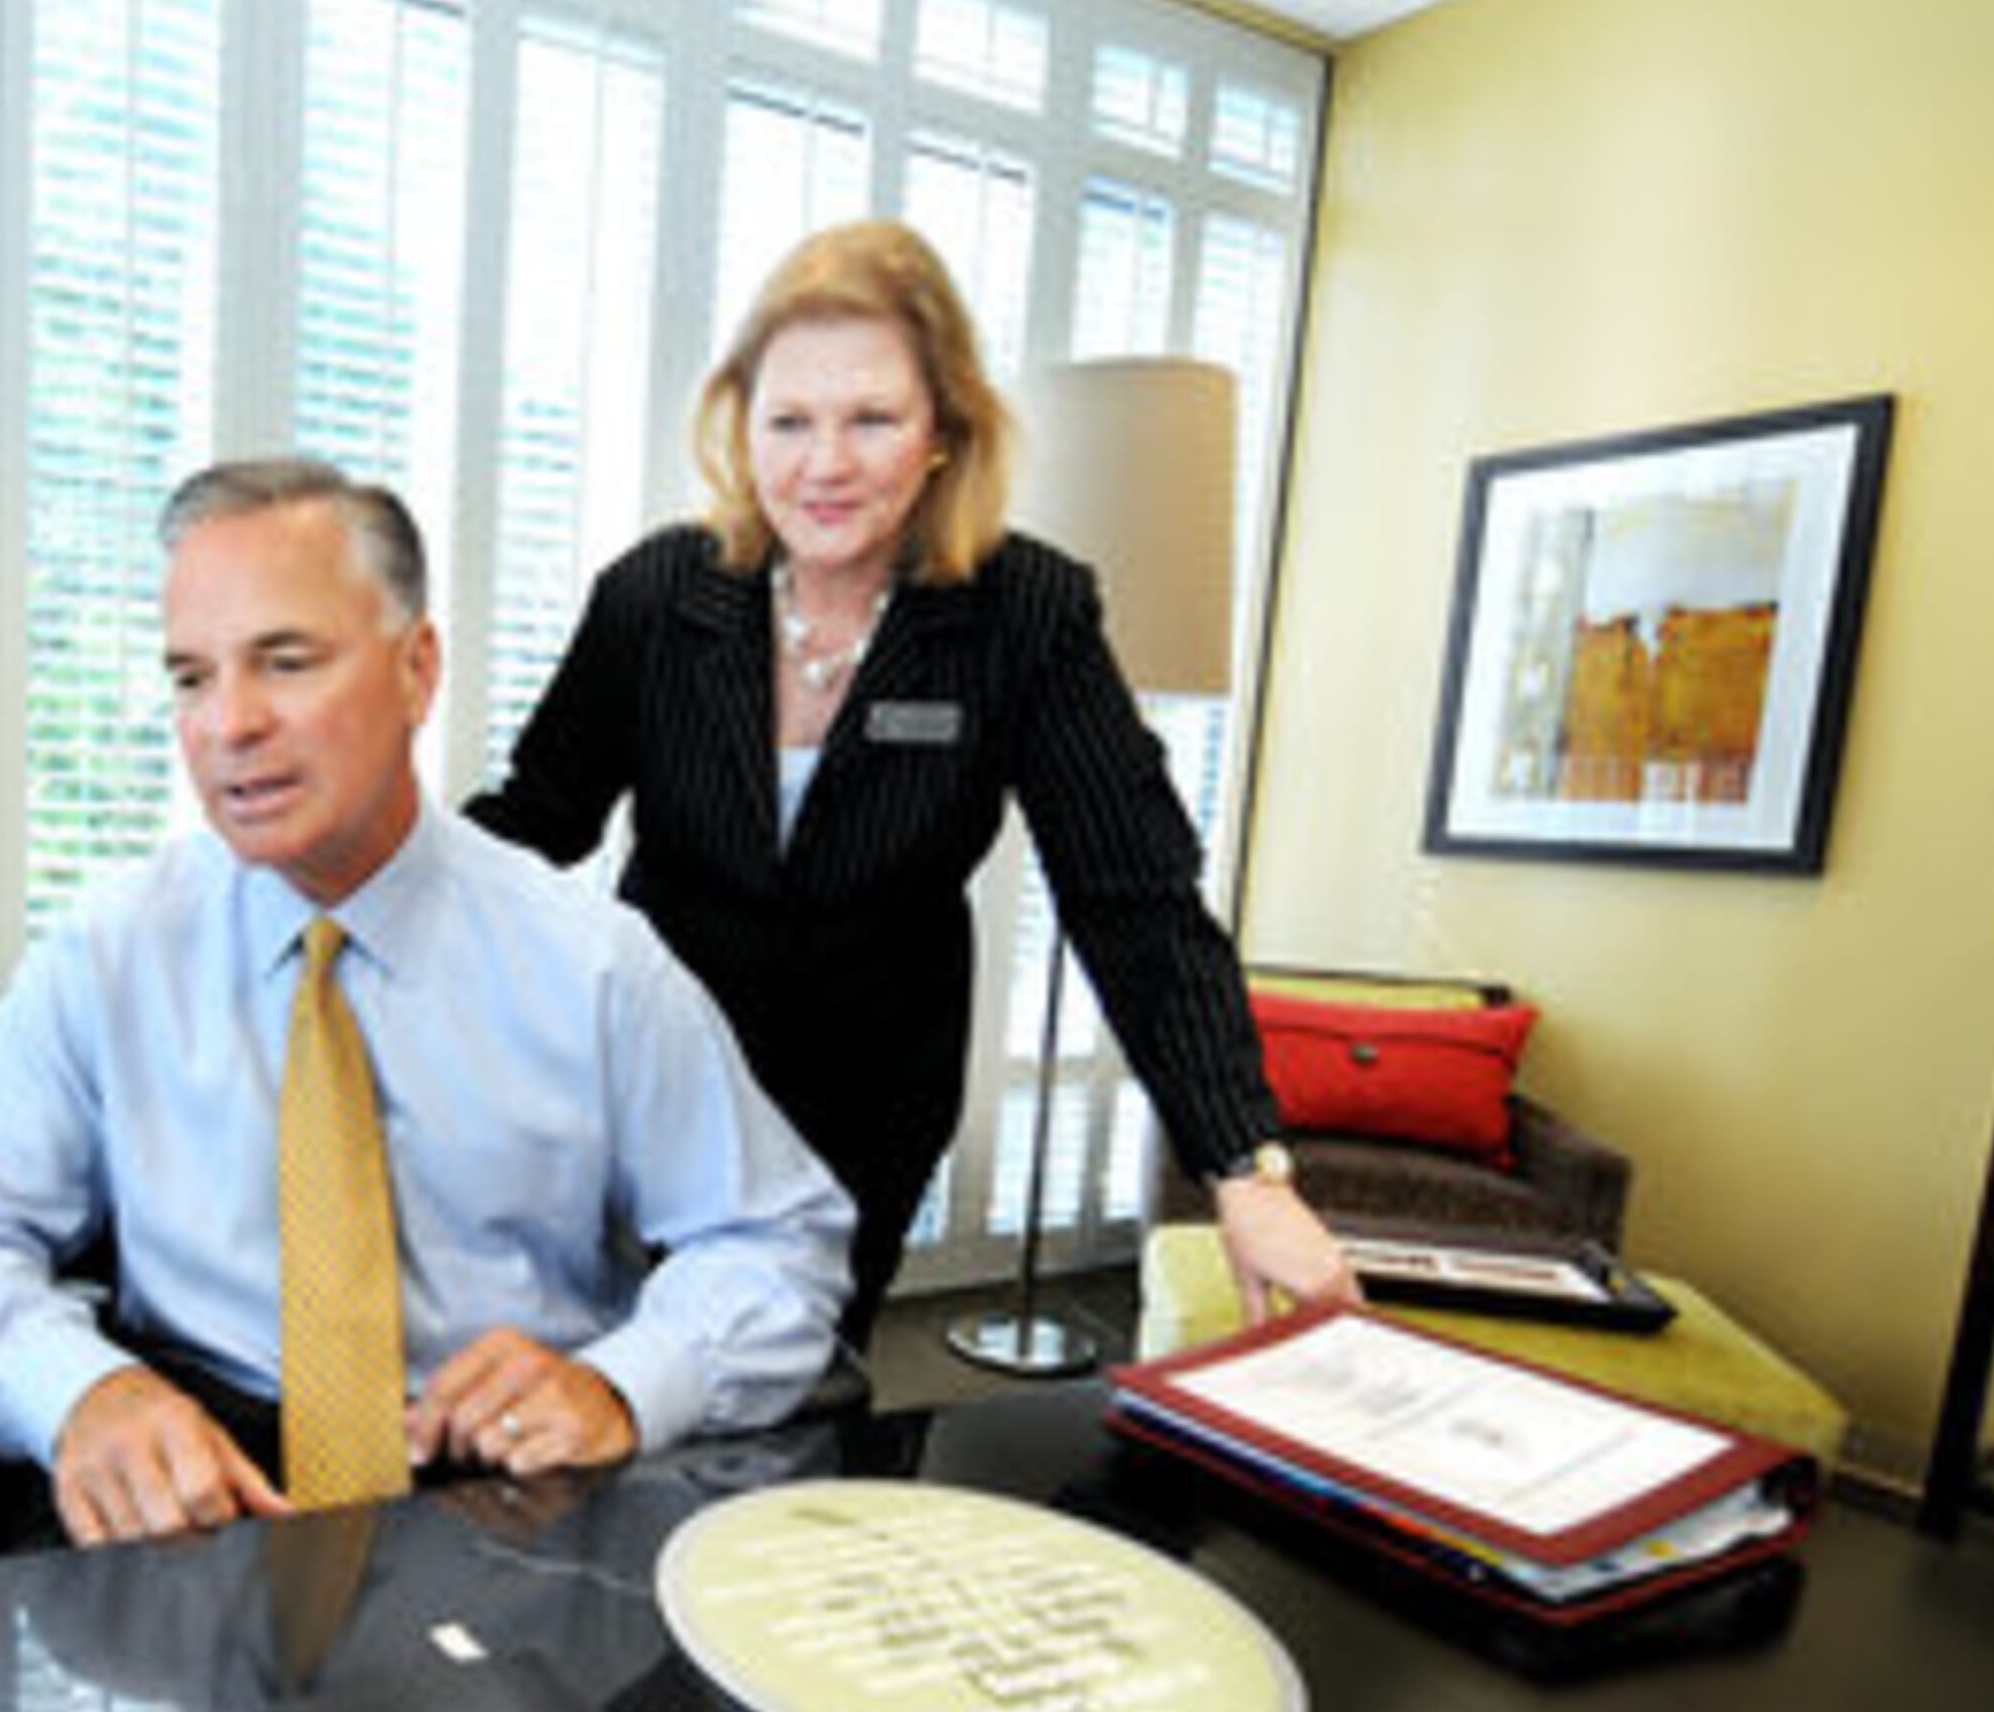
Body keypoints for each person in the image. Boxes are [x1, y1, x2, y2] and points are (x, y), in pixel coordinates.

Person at [0, 457, 854, 1547]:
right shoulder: (107, 958)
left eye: (284, 662)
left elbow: (778, 1240)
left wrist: (623, 1385)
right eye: (191, 678)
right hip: (209, 1502)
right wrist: (80, 1392)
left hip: (512, 1502)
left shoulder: (594, 964)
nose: (228, 724)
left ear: (417, 670)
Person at [468, 219, 1352, 1343]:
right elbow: (535, 821)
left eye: (872, 418)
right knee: (611, 1377)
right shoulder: (656, 597)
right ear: (742, 425)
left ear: (943, 429)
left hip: (865, 1104)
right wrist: (366, 877)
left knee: (794, 1387)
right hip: (652, 1085)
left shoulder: (1024, 614)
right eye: (789, 420)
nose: (824, 464)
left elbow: (1134, 898)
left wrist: (1246, 1167)